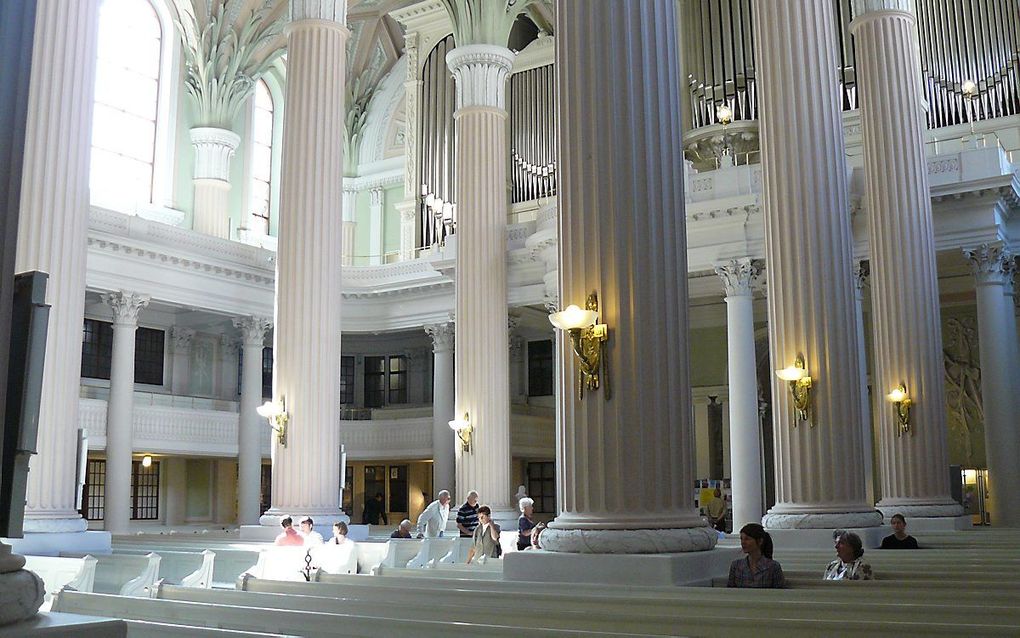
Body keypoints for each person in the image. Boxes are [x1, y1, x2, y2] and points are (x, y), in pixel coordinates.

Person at [727, 523, 786, 588]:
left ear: (760, 541)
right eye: (741, 539)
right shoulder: (736, 566)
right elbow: (730, 590)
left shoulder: (773, 566)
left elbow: (779, 592)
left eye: (747, 539)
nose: (743, 542)